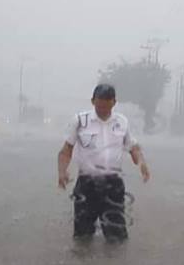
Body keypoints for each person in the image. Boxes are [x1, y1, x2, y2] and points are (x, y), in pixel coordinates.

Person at [57, 84, 150, 243]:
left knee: (117, 239)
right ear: (93, 101)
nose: (103, 110)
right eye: (99, 106)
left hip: (113, 185)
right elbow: (66, 150)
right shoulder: (80, 121)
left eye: (107, 106)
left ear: (114, 102)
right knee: (82, 238)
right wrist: (62, 171)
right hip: (86, 185)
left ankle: (113, 259)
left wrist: (142, 163)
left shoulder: (122, 122)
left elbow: (133, 147)